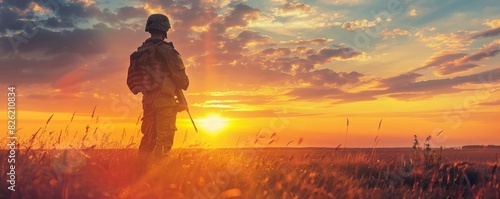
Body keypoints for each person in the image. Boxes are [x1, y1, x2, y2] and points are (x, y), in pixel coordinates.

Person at [128, 14, 189, 165]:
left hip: (147, 101)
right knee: (164, 139)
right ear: (165, 28)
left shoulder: (141, 51)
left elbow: (132, 82)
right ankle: (160, 177)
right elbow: (182, 81)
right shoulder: (166, 50)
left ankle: (139, 171)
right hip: (164, 101)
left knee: (148, 139)